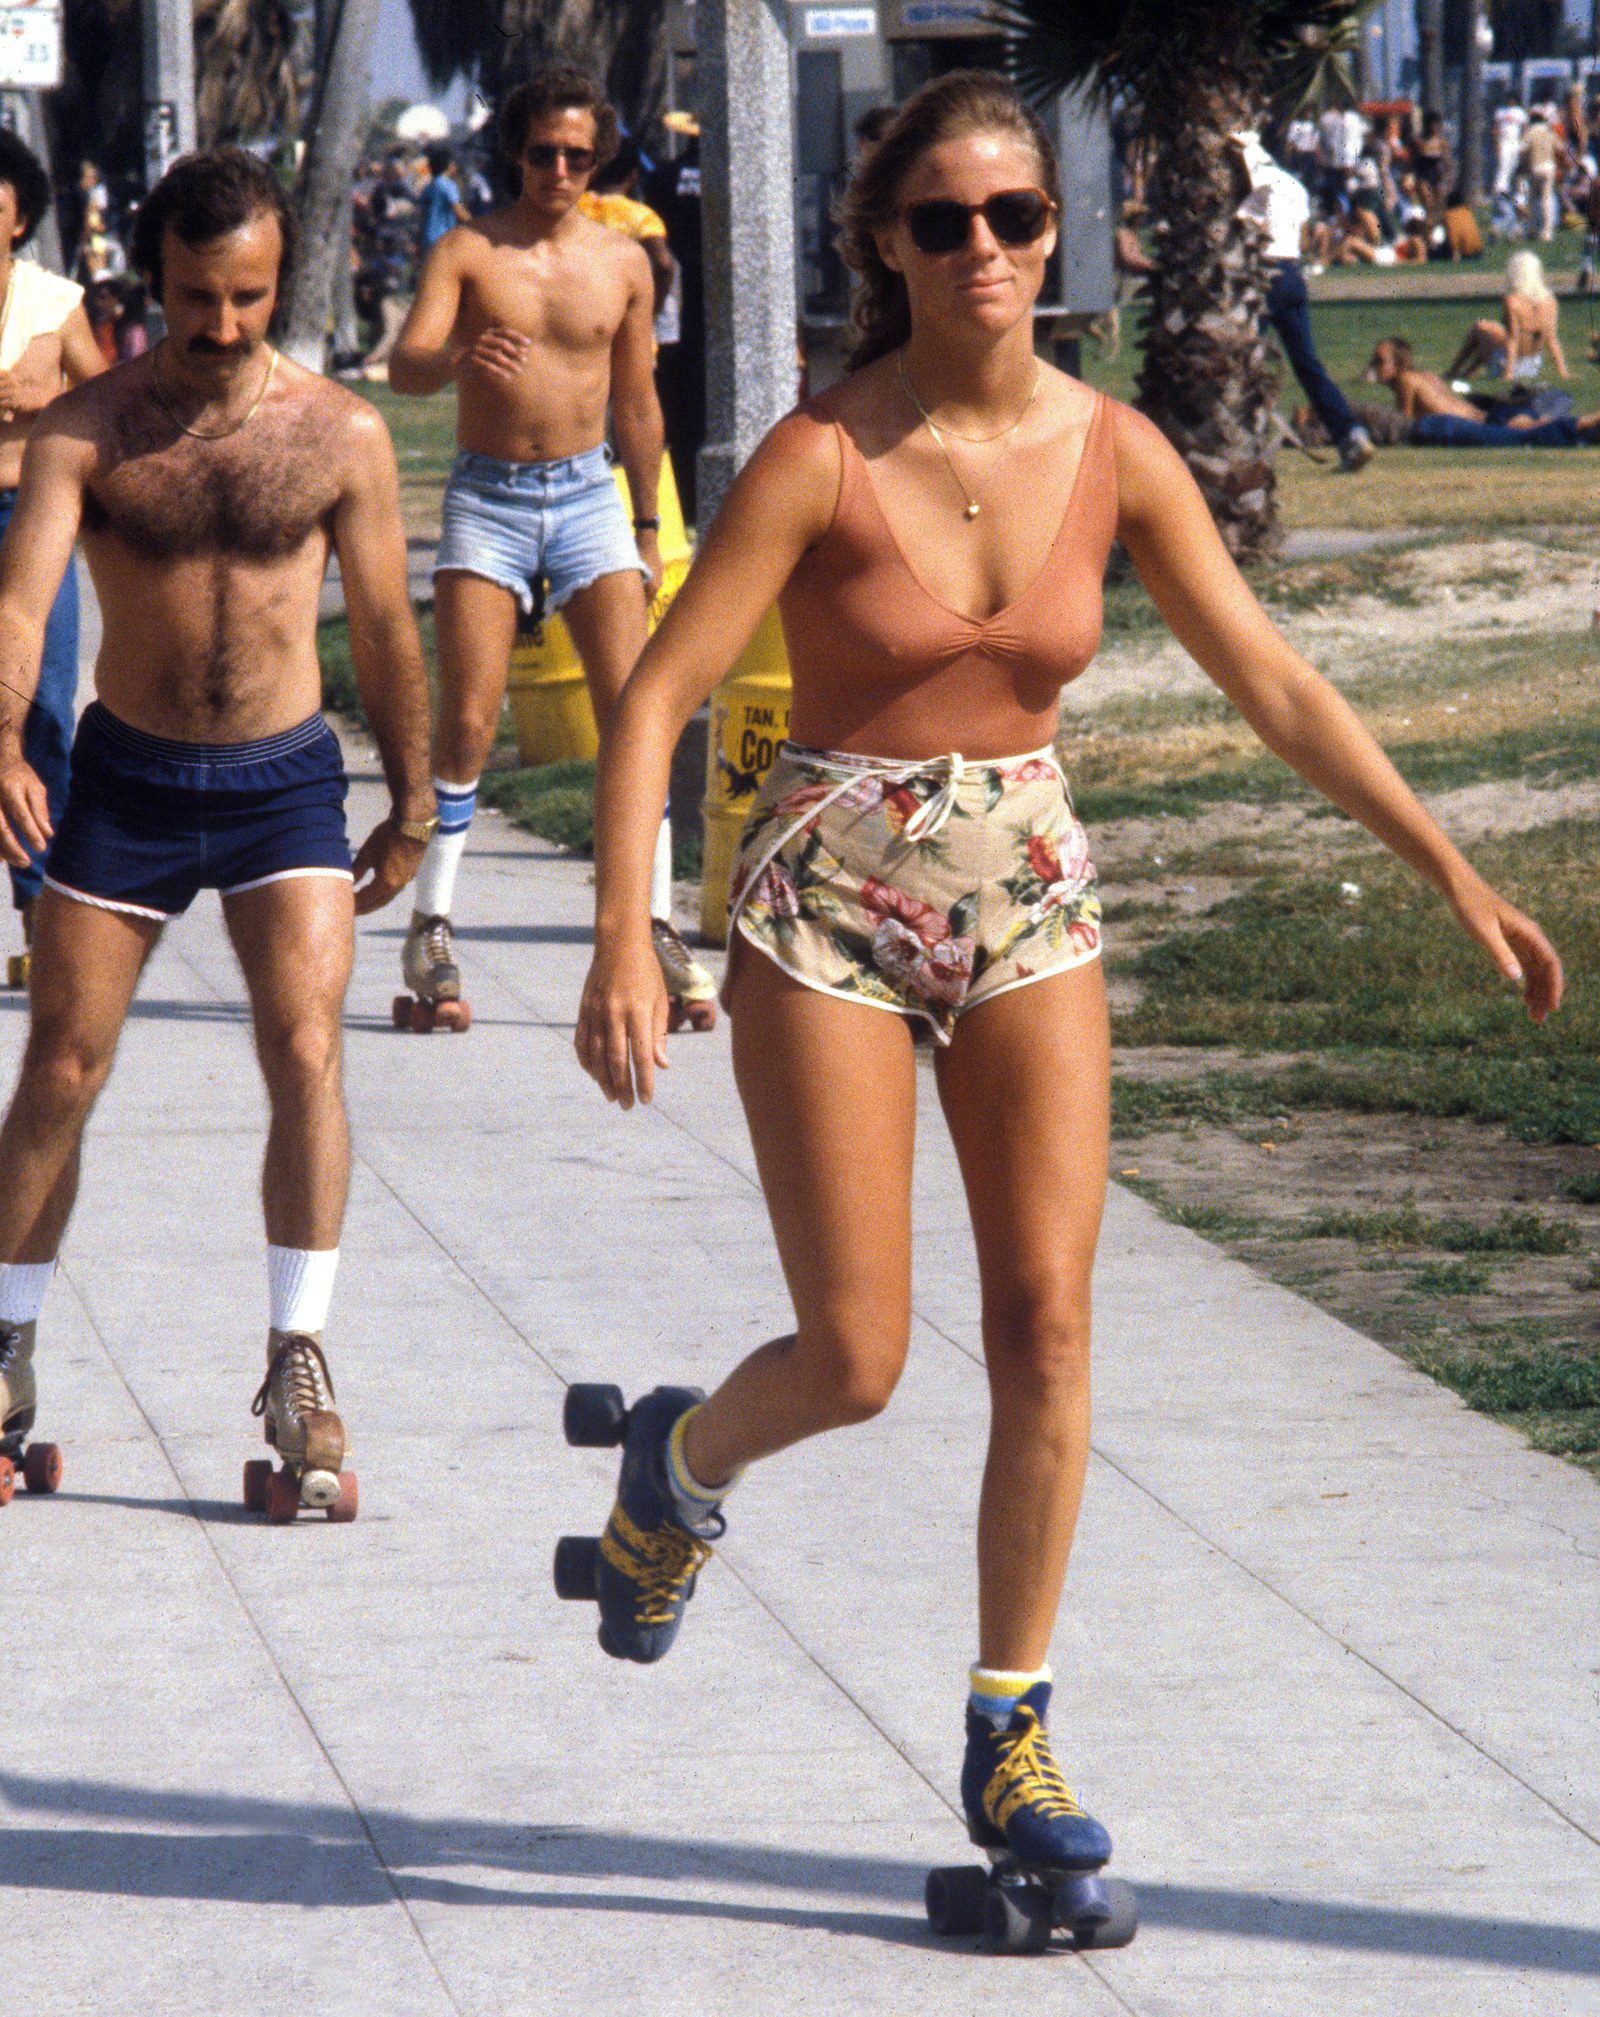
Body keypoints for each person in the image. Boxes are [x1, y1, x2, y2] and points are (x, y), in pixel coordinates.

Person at [571, 72, 1562, 1880]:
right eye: (942, 221)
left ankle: (1010, 1723)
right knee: (861, 1354)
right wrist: (633, 932)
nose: (984, 251)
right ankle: (681, 1464)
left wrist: (1454, 874)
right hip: (831, 906)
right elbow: (657, 696)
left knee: (1047, 1321)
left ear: (1060, 237)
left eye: (1015, 217)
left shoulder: (1120, 452)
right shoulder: (823, 455)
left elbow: (1275, 682)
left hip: (1028, 893)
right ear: (886, 241)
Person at [0, 148, 435, 1513]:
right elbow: (20, 607)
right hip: (125, 784)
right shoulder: (87, 429)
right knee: (62, 1066)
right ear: (151, 283)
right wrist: (3, 737)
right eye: (198, 298)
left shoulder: (341, 436)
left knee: (306, 1047)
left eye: (249, 298)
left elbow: (379, 626)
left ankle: (298, 1355)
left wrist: (415, 796)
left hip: (283, 784)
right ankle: (5, 1349)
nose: (225, 327)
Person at [388, 68, 714, 1030]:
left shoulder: (625, 261)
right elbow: (403, 367)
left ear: (600, 154)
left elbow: (639, 400)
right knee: (472, 722)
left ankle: (651, 923)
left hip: (588, 495)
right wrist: (454, 359)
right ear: (515, 153)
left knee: (636, 710)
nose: (559, 169)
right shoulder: (468, 250)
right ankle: (433, 921)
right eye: (542, 153)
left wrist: (650, 525)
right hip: (487, 497)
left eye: (577, 153)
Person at [0, 130, 106, 988]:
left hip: (36, 520)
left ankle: (42, 903)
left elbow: (111, 402)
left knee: (44, 710)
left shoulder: (53, 302)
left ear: (20, 217)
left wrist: (50, 396)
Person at [1235, 132, 1373, 469]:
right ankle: (1350, 435)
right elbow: (1302, 235)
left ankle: (1240, 442)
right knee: (1308, 365)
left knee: (1237, 360)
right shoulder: (1292, 184)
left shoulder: (1254, 182)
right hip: (1292, 274)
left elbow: (1242, 231)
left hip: (1263, 274)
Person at [1365, 335, 1600, 446]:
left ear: (1398, 363)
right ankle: (1590, 425)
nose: (1373, 365)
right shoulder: (1425, 376)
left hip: (1488, 422)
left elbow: (1403, 426)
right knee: (1541, 425)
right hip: (1493, 414)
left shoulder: (1406, 381)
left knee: (1534, 431)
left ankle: (1593, 421)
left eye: (1379, 361)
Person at [1446, 249, 1568, 383]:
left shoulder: (1512, 301)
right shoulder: (1550, 301)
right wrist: (1563, 372)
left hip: (1509, 366)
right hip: (1532, 366)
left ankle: (1453, 371)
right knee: (1492, 331)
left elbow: (1512, 340)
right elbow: (1552, 340)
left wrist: (1508, 375)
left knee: (1479, 328)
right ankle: (1468, 373)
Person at [416, 143, 469, 256]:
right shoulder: (449, 185)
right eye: (453, 162)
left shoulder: (427, 187)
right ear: (448, 164)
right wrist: (478, 226)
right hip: (443, 239)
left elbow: (421, 216)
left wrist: (418, 243)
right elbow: (459, 210)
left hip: (427, 239)